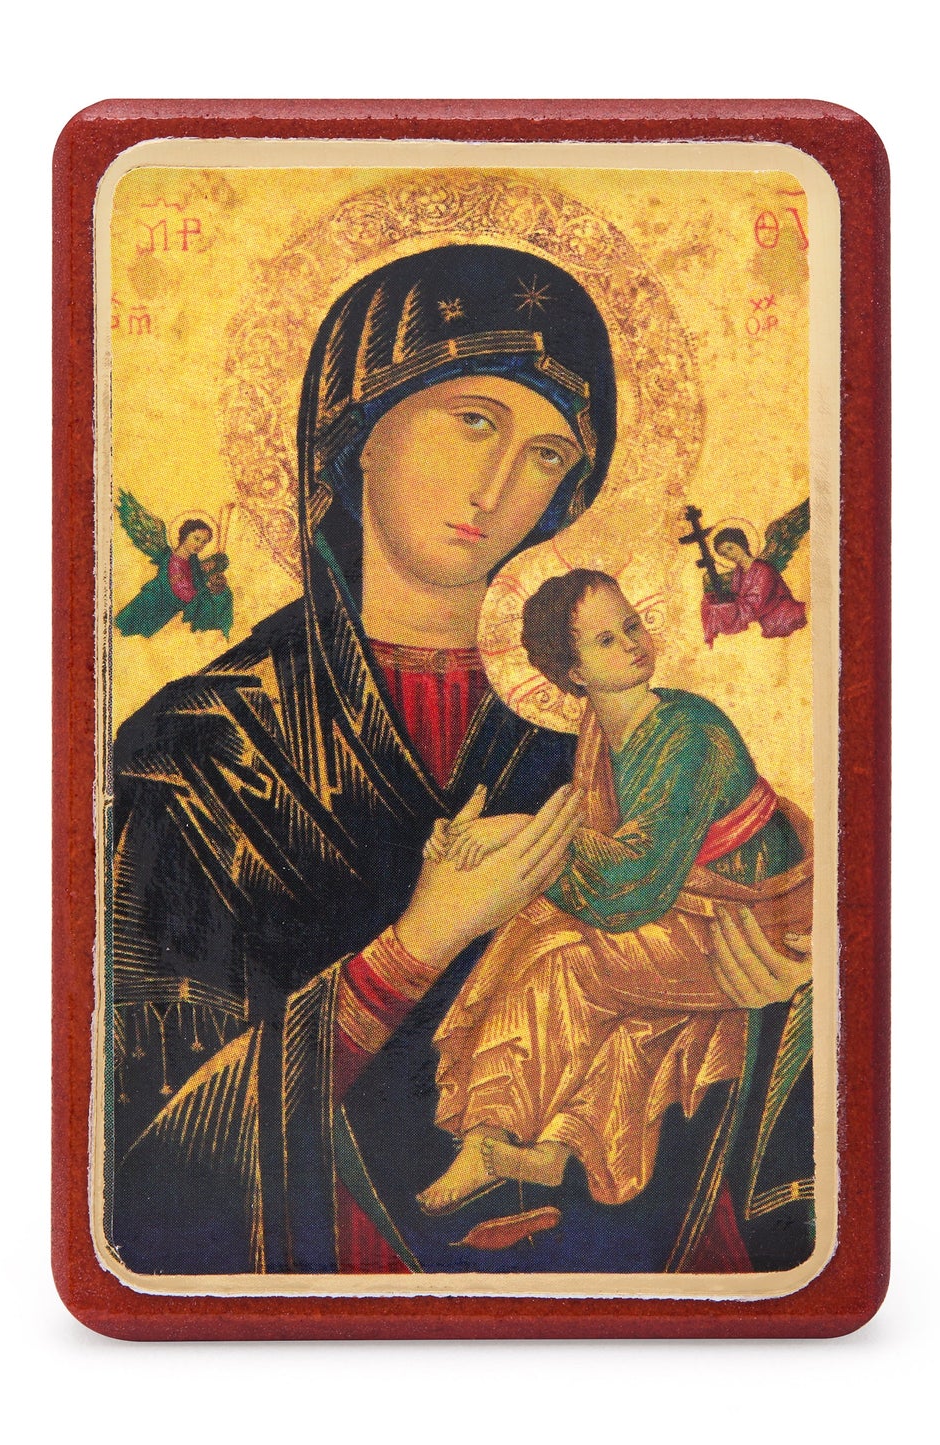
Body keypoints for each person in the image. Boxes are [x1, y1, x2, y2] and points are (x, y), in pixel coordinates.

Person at [108, 244, 816, 1277]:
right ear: (357, 431)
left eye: (545, 453)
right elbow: (143, 1159)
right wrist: (413, 948)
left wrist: (768, 993)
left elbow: (768, 957)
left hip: (622, 1277)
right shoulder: (197, 752)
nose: (497, 484)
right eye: (474, 420)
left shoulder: (602, 732)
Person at [418, 571, 812, 1215]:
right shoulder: (601, 733)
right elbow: (602, 849)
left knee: (566, 959)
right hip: (685, 906)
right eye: (606, 640)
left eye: (631, 625)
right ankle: (524, 1143)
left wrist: (514, 833)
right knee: (533, 927)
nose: (631, 643)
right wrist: (480, 843)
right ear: (574, 673)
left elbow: (634, 884)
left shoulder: (689, 732)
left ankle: (493, 1134)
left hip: (749, 921)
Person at [115, 516, 233, 639]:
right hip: (150, 604)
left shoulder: (192, 561)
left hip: (163, 611)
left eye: (204, 542)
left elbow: (196, 581)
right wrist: (206, 591)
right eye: (196, 538)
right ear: (185, 535)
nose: (199, 545)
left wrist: (210, 583)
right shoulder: (174, 562)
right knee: (124, 632)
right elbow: (184, 593)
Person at [700, 526, 806, 640]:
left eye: (730, 548)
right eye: (724, 554)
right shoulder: (738, 573)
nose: (730, 555)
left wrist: (725, 609)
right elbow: (737, 598)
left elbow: (755, 604)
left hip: (788, 619)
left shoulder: (763, 569)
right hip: (770, 626)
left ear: (741, 544)